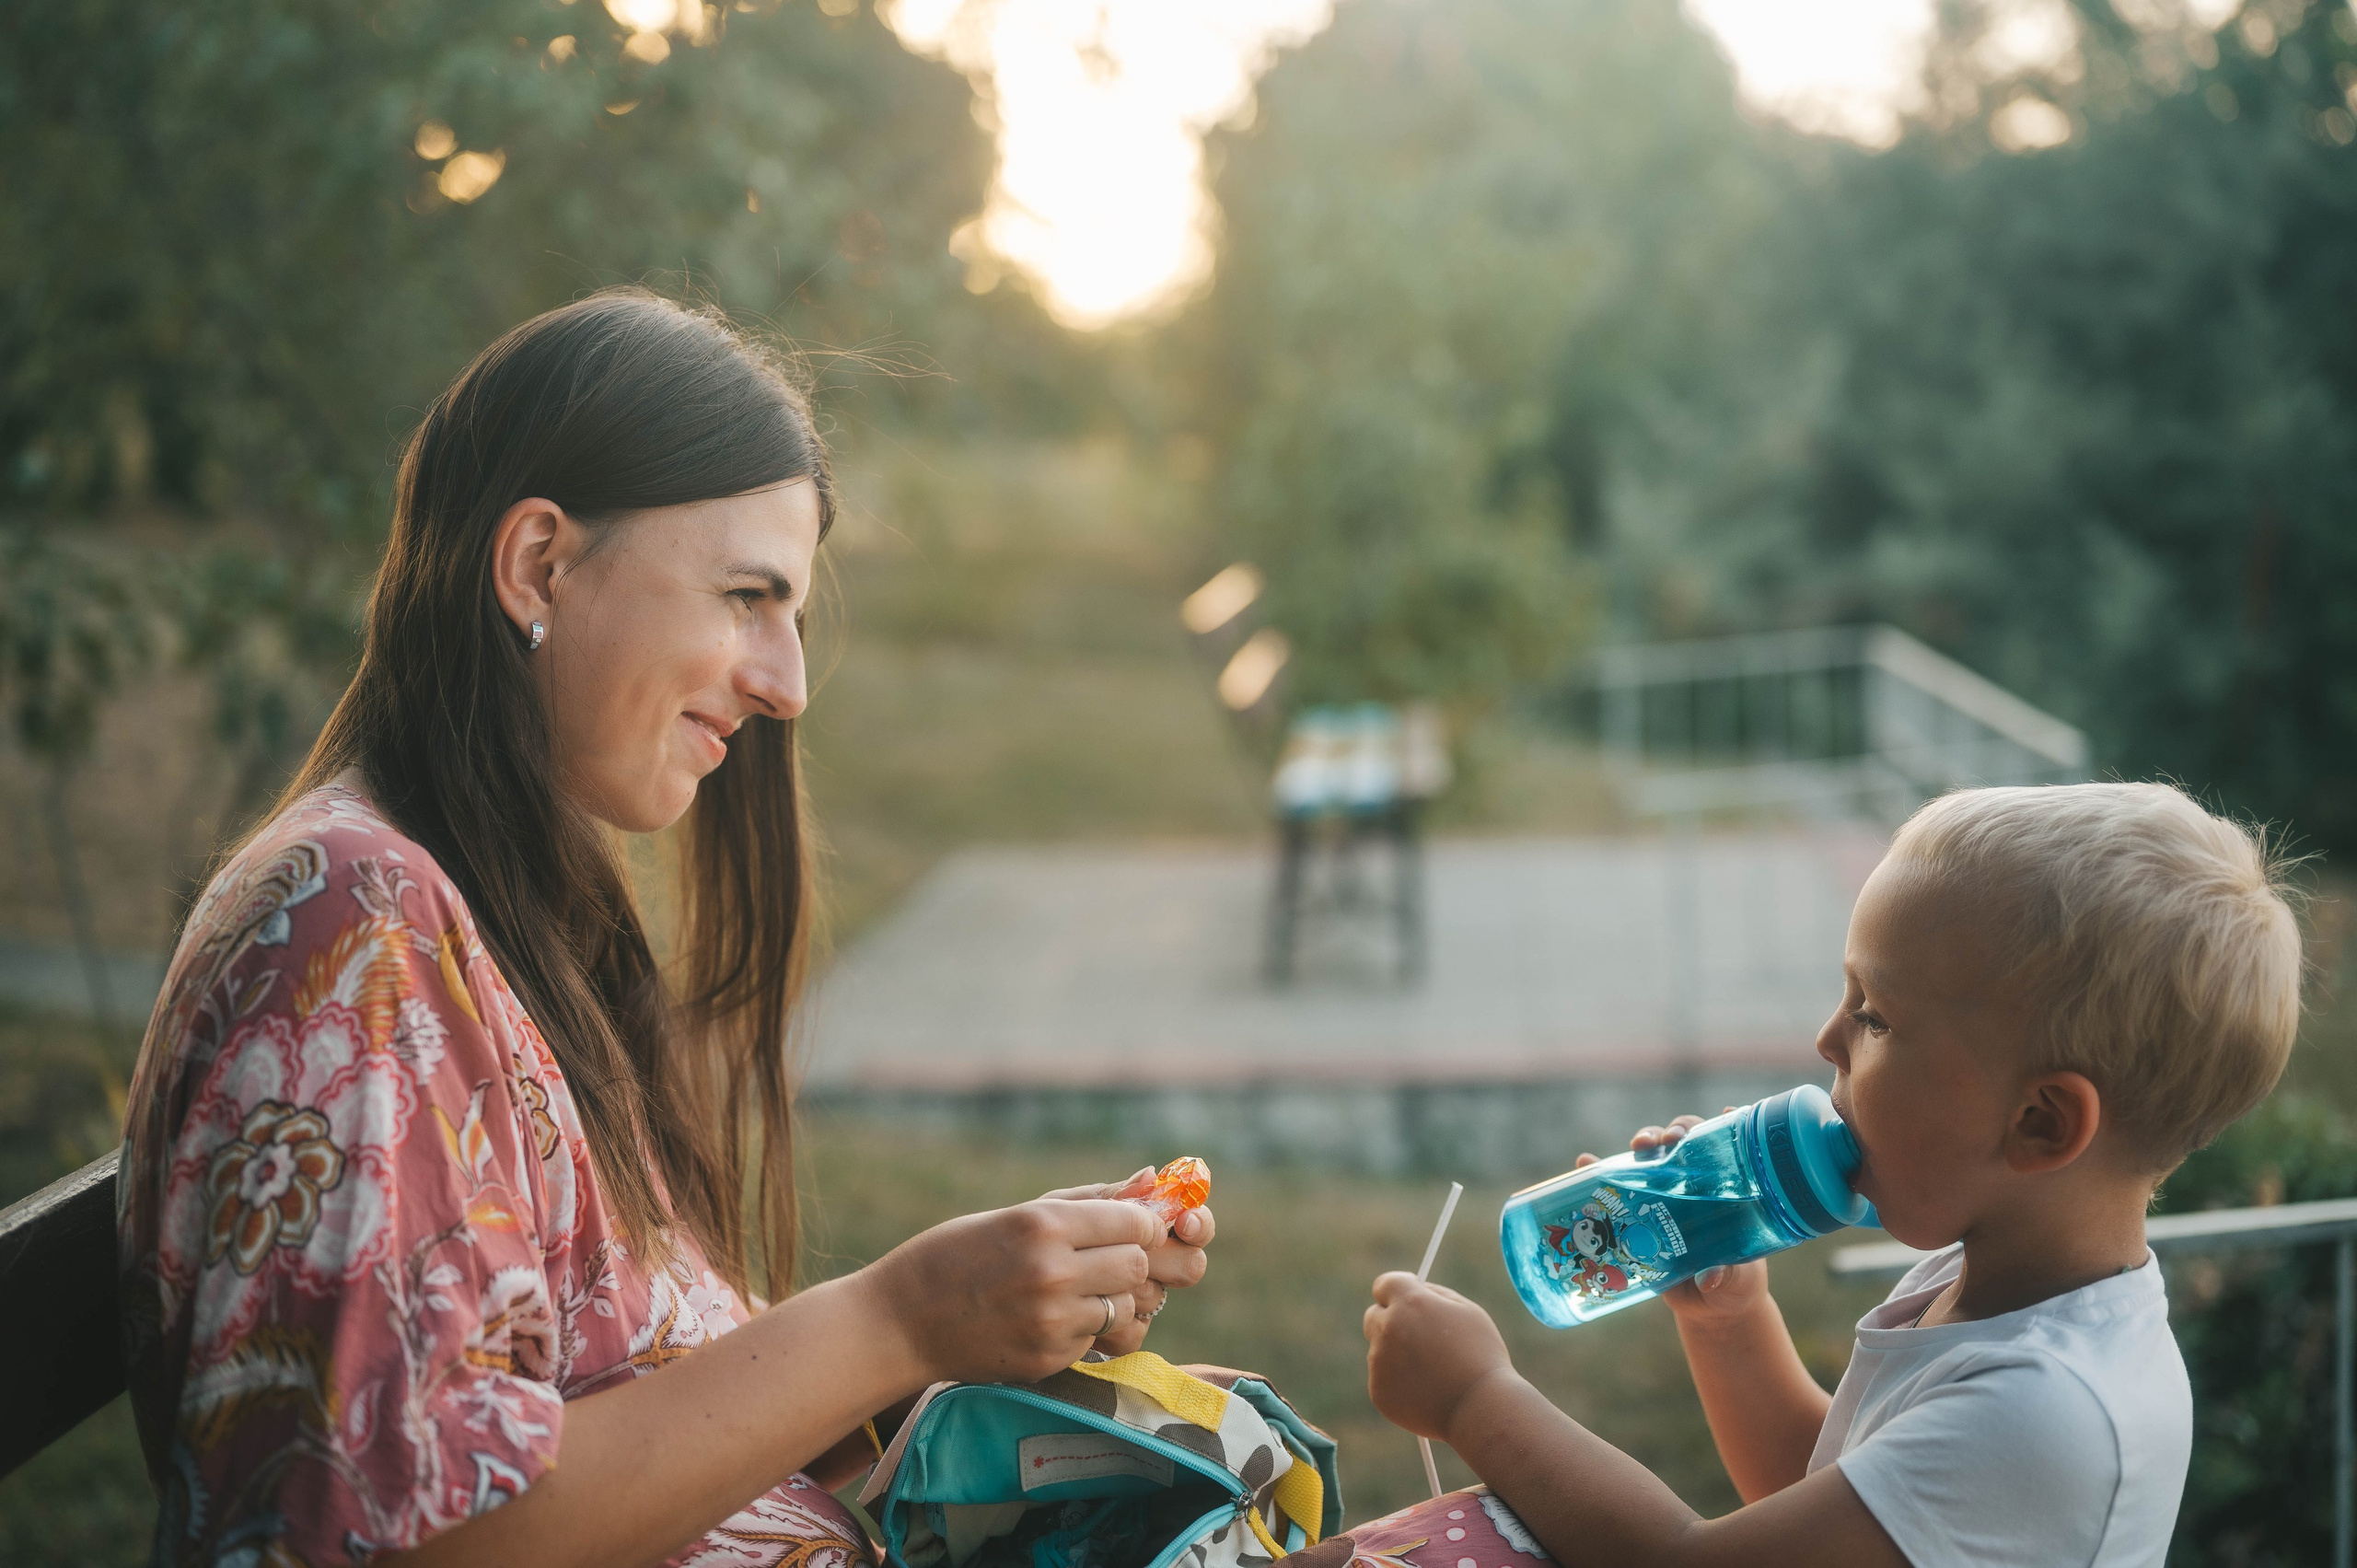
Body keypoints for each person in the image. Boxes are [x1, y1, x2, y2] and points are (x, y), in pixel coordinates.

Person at [116, 288, 1214, 1568]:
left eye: (792, 613)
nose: (788, 681)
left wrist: (989, 1325)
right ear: (539, 564)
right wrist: (896, 1317)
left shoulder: (507, 909)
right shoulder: (355, 932)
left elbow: (630, 1378)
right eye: (748, 595)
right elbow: (412, 1540)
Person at [1362, 781, 2303, 1566]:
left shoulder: (2049, 1412)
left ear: (2038, 1121)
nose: (1825, 1037)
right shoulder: (1988, 1273)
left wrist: (1475, 1397)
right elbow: (1822, 1490)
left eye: (1875, 1014)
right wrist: (1729, 1321)